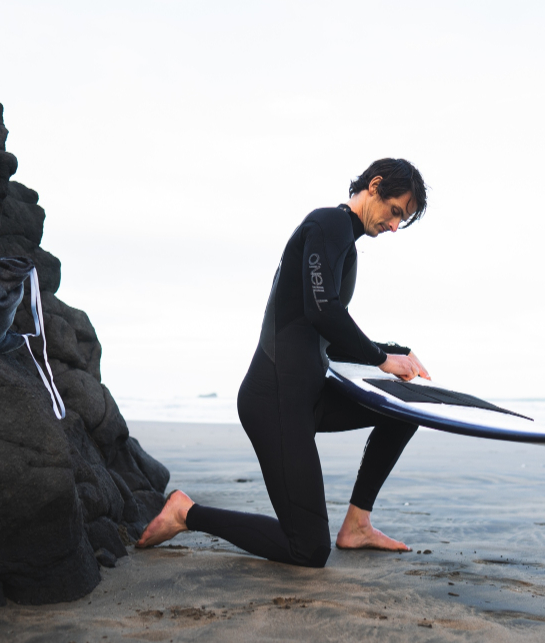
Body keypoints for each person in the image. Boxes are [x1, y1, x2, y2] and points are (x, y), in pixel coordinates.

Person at [137, 158, 431, 568]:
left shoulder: (345, 245)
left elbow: (327, 335)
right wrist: (382, 359)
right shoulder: (328, 224)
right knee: (307, 549)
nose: (395, 226)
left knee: (404, 412)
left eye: (404, 219)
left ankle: (357, 524)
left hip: (307, 396)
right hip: (274, 400)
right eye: (396, 211)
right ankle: (185, 512)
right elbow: (323, 311)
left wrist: (395, 351)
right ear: (375, 186)